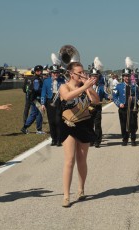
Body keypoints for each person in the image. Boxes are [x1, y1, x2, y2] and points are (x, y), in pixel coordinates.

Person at [58, 61, 99, 207]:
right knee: (69, 160)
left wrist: (89, 87)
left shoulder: (85, 87)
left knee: (82, 159)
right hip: (69, 124)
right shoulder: (64, 86)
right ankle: (66, 195)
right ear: (71, 73)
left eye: (83, 72)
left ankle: (81, 189)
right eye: (79, 73)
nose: (82, 75)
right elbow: (67, 97)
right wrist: (85, 86)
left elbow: (96, 101)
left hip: (84, 124)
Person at [113, 68, 139, 146]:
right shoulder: (118, 86)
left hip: (132, 107)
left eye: (128, 76)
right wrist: (119, 104)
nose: (127, 78)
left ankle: (133, 139)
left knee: (133, 123)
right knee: (123, 124)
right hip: (123, 108)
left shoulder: (134, 86)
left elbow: (137, 95)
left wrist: (134, 98)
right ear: (123, 77)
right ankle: (125, 139)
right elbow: (115, 97)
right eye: (125, 76)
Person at [41, 64, 66, 146]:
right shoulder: (46, 81)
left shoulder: (62, 80)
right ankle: (53, 139)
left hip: (59, 101)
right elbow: (43, 93)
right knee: (51, 121)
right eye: (54, 73)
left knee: (58, 121)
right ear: (51, 73)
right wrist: (42, 104)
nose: (55, 74)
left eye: (57, 73)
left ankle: (59, 139)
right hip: (49, 101)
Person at [21, 65, 45, 134]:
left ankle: (25, 128)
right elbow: (36, 89)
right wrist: (43, 90)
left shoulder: (34, 78)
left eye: (40, 70)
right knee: (38, 113)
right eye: (38, 71)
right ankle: (38, 129)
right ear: (35, 71)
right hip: (35, 99)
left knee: (34, 114)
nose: (40, 72)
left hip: (33, 98)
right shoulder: (36, 79)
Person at [89, 67, 108, 148]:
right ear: (90, 77)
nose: (94, 78)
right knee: (89, 125)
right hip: (88, 108)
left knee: (97, 124)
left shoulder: (101, 86)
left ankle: (97, 141)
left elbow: (106, 95)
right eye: (93, 76)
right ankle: (91, 140)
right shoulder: (86, 86)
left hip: (97, 107)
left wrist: (109, 96)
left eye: (96, 76)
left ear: (98, 77)